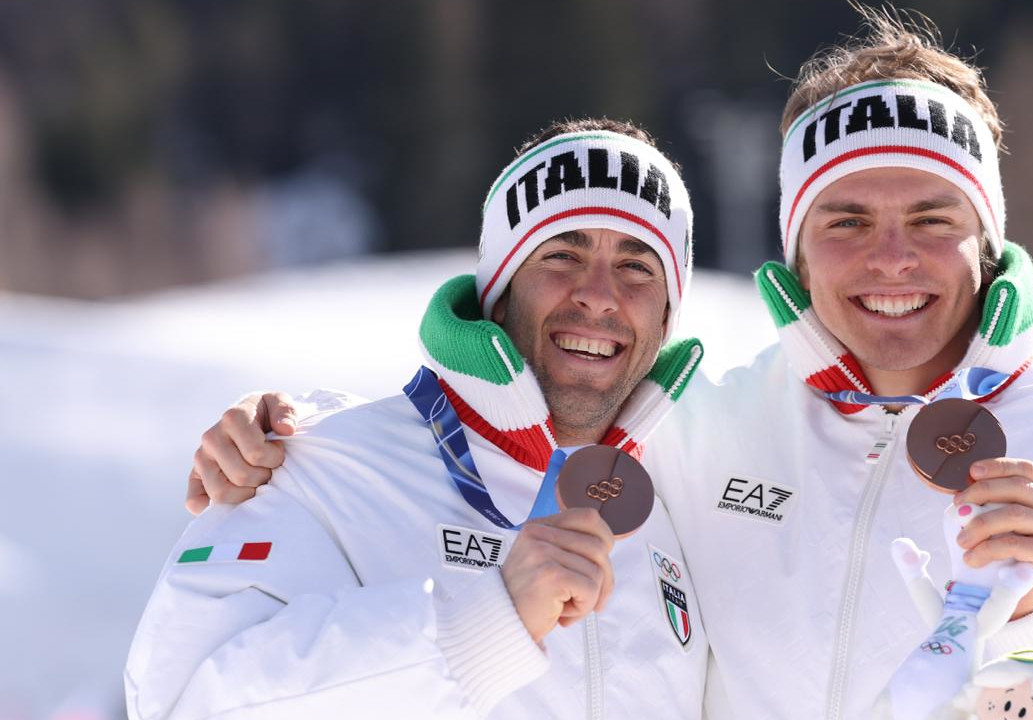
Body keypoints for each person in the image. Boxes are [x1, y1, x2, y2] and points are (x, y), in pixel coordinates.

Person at [184, 10, 1033, 719]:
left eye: (931, 215)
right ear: (793, 248)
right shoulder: (699, 431)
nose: (890, 257)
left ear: (986, 234)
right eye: (844, 218)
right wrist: (300, 437)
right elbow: (512, 434)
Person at [125, 119, 710, 720]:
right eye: (562, 254)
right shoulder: (314, 467)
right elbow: (185, 700)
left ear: (667, 315)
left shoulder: (693, 494)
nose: (598, 294)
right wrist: (479, 630)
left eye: (638, 267)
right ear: (499, 291)